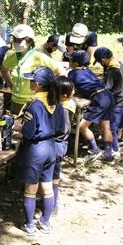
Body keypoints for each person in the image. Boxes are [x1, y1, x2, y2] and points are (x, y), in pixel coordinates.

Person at [12, 67, 64, 235]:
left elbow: (28, 132)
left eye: (31, 80)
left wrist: (18, 131)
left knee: (31, 189)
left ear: (38, 84)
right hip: (51, 147)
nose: (29, 83)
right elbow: (61, 127)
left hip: (35, 150)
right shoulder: (56, 102)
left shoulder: (35, 104)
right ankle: (45, 222)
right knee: (47, 187)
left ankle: (29, 225)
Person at [1, 24, 64, 115]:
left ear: (29, 42)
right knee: (14, 126)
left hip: (33, 103)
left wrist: (52, 91)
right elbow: (4, 70)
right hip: (15, 102)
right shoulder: (11, 56)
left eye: (20, 40)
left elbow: (61, 72)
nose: (16, 42)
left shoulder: (39, 57)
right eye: (15, 39)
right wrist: (11, 86)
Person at [65, 50, 115, 163]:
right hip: (108, 96)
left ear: (76, 64)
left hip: (99, 99)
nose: (69, 61)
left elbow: (69, 89)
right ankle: (108, 154)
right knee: (105, 126)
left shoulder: (72, 73)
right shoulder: (88, 70)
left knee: (82, 127)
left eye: (70, 60)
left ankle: (95, 150)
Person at [93, 47, 123, 159]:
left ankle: (113, 151)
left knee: (111, 127)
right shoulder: (117, 63)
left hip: (117, 101)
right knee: (113, 126)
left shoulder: (112, 70)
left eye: (99, 61)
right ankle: (114, 148)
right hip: (122, 99)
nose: (100, 64)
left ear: (104, 60)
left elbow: (107, 88)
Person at [52, 76, 75, 215]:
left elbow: (62, 130)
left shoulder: (64, 108)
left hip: (57, 145)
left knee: (53, 177)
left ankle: (53, 204)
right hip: (58, 144)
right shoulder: (66, 103)